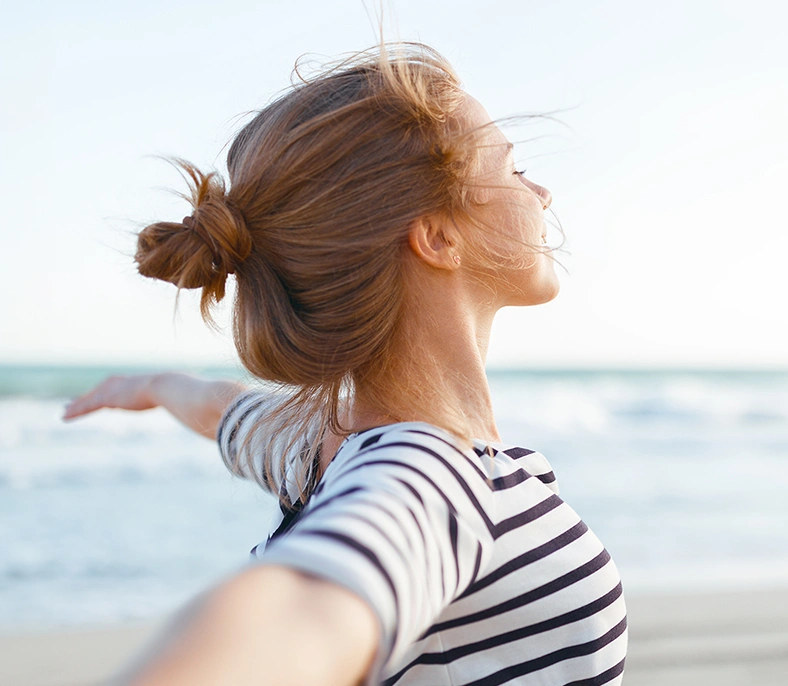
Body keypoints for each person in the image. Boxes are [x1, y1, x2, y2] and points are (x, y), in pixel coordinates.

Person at [64, 43, 627, 685]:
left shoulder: (321, 448)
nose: (542, 192)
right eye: (515, 168)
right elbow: (297, 614)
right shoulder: (431, 474)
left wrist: (152, 386)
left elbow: (226, 408)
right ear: (438, 237)